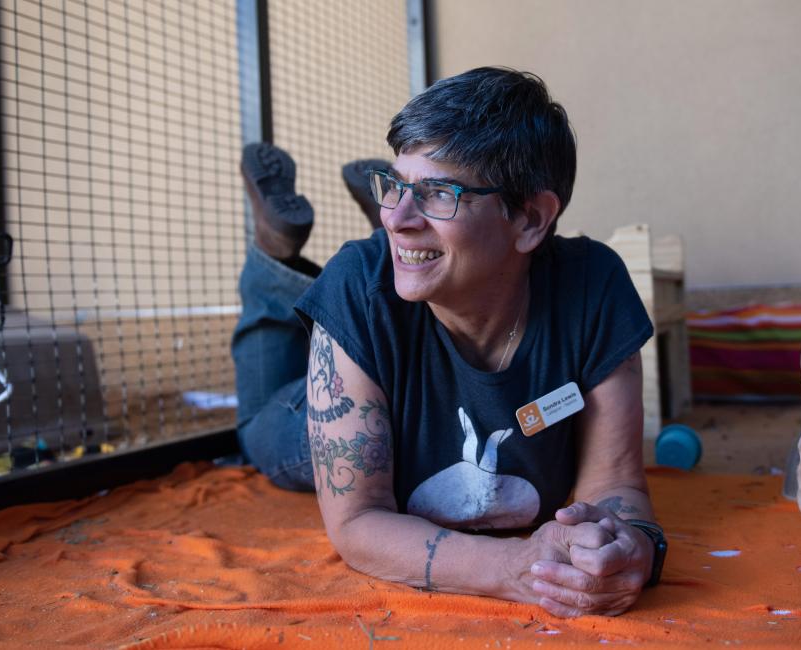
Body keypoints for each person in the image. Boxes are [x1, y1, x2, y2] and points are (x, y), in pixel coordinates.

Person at [232, 67, 664, 618]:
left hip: (394, 339)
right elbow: (358, 521)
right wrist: (515, 568)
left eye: (438, 192)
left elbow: (616, 482)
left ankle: (424, 254)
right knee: (252, 426)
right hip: (327, 410)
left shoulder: (593, 288)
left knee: (399, 253)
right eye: (393, 186)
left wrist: (629, 548)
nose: (397, 215)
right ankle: (272, 254)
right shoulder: (355, 284)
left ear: (531, 219)